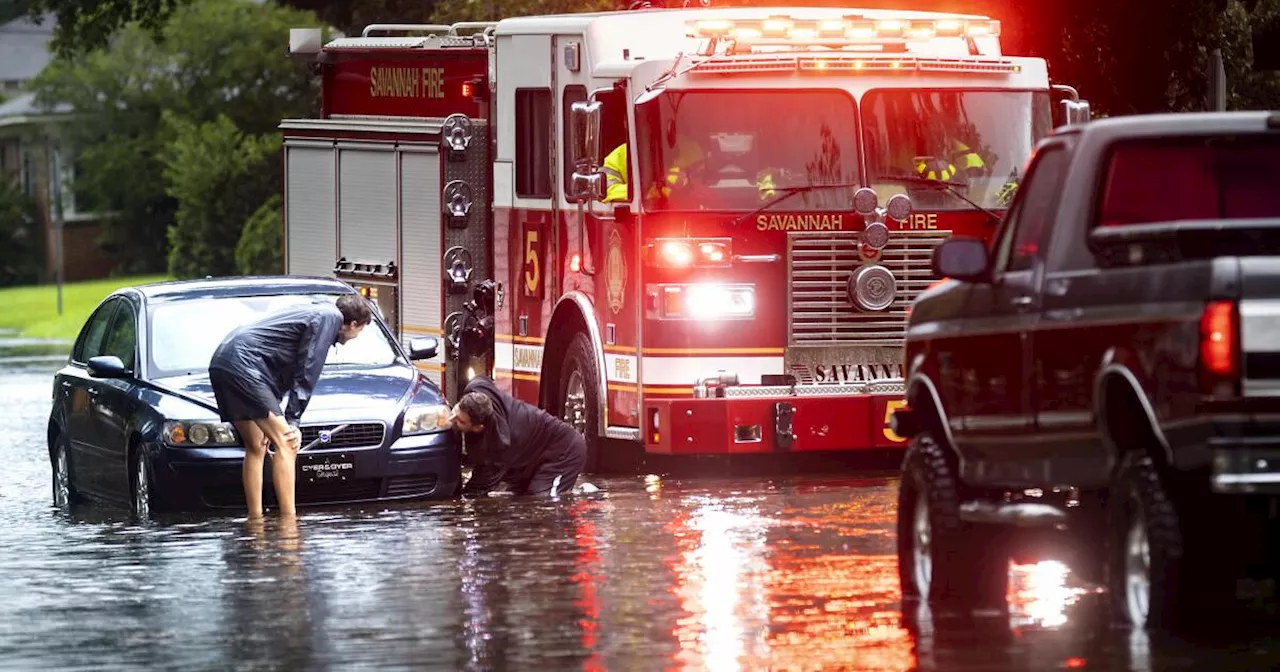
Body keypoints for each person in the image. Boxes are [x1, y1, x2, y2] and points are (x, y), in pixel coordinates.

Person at [208, 294, 373, 519]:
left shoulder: (317, 310)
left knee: (257, 445)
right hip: (244, 364)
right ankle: (289, 524)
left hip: (224, 360)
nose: (357, 336)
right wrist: (293, 419)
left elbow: (279, 363)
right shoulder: (329, 317)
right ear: (353, 324)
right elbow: (308, 367)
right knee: (287, 441)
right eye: (360, 330)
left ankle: (255, 520)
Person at [449, 375, 587, 497]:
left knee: (543, 501)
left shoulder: (497, 447)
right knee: (519, 499)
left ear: (478, 427)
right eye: (455, 410)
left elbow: (478, 488)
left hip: (566, 451)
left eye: (460, 421)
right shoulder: (476, 388)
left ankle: (584, 499)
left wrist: (460, 507)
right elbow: (483, 379)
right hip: (530, 456)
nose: (452, 419)